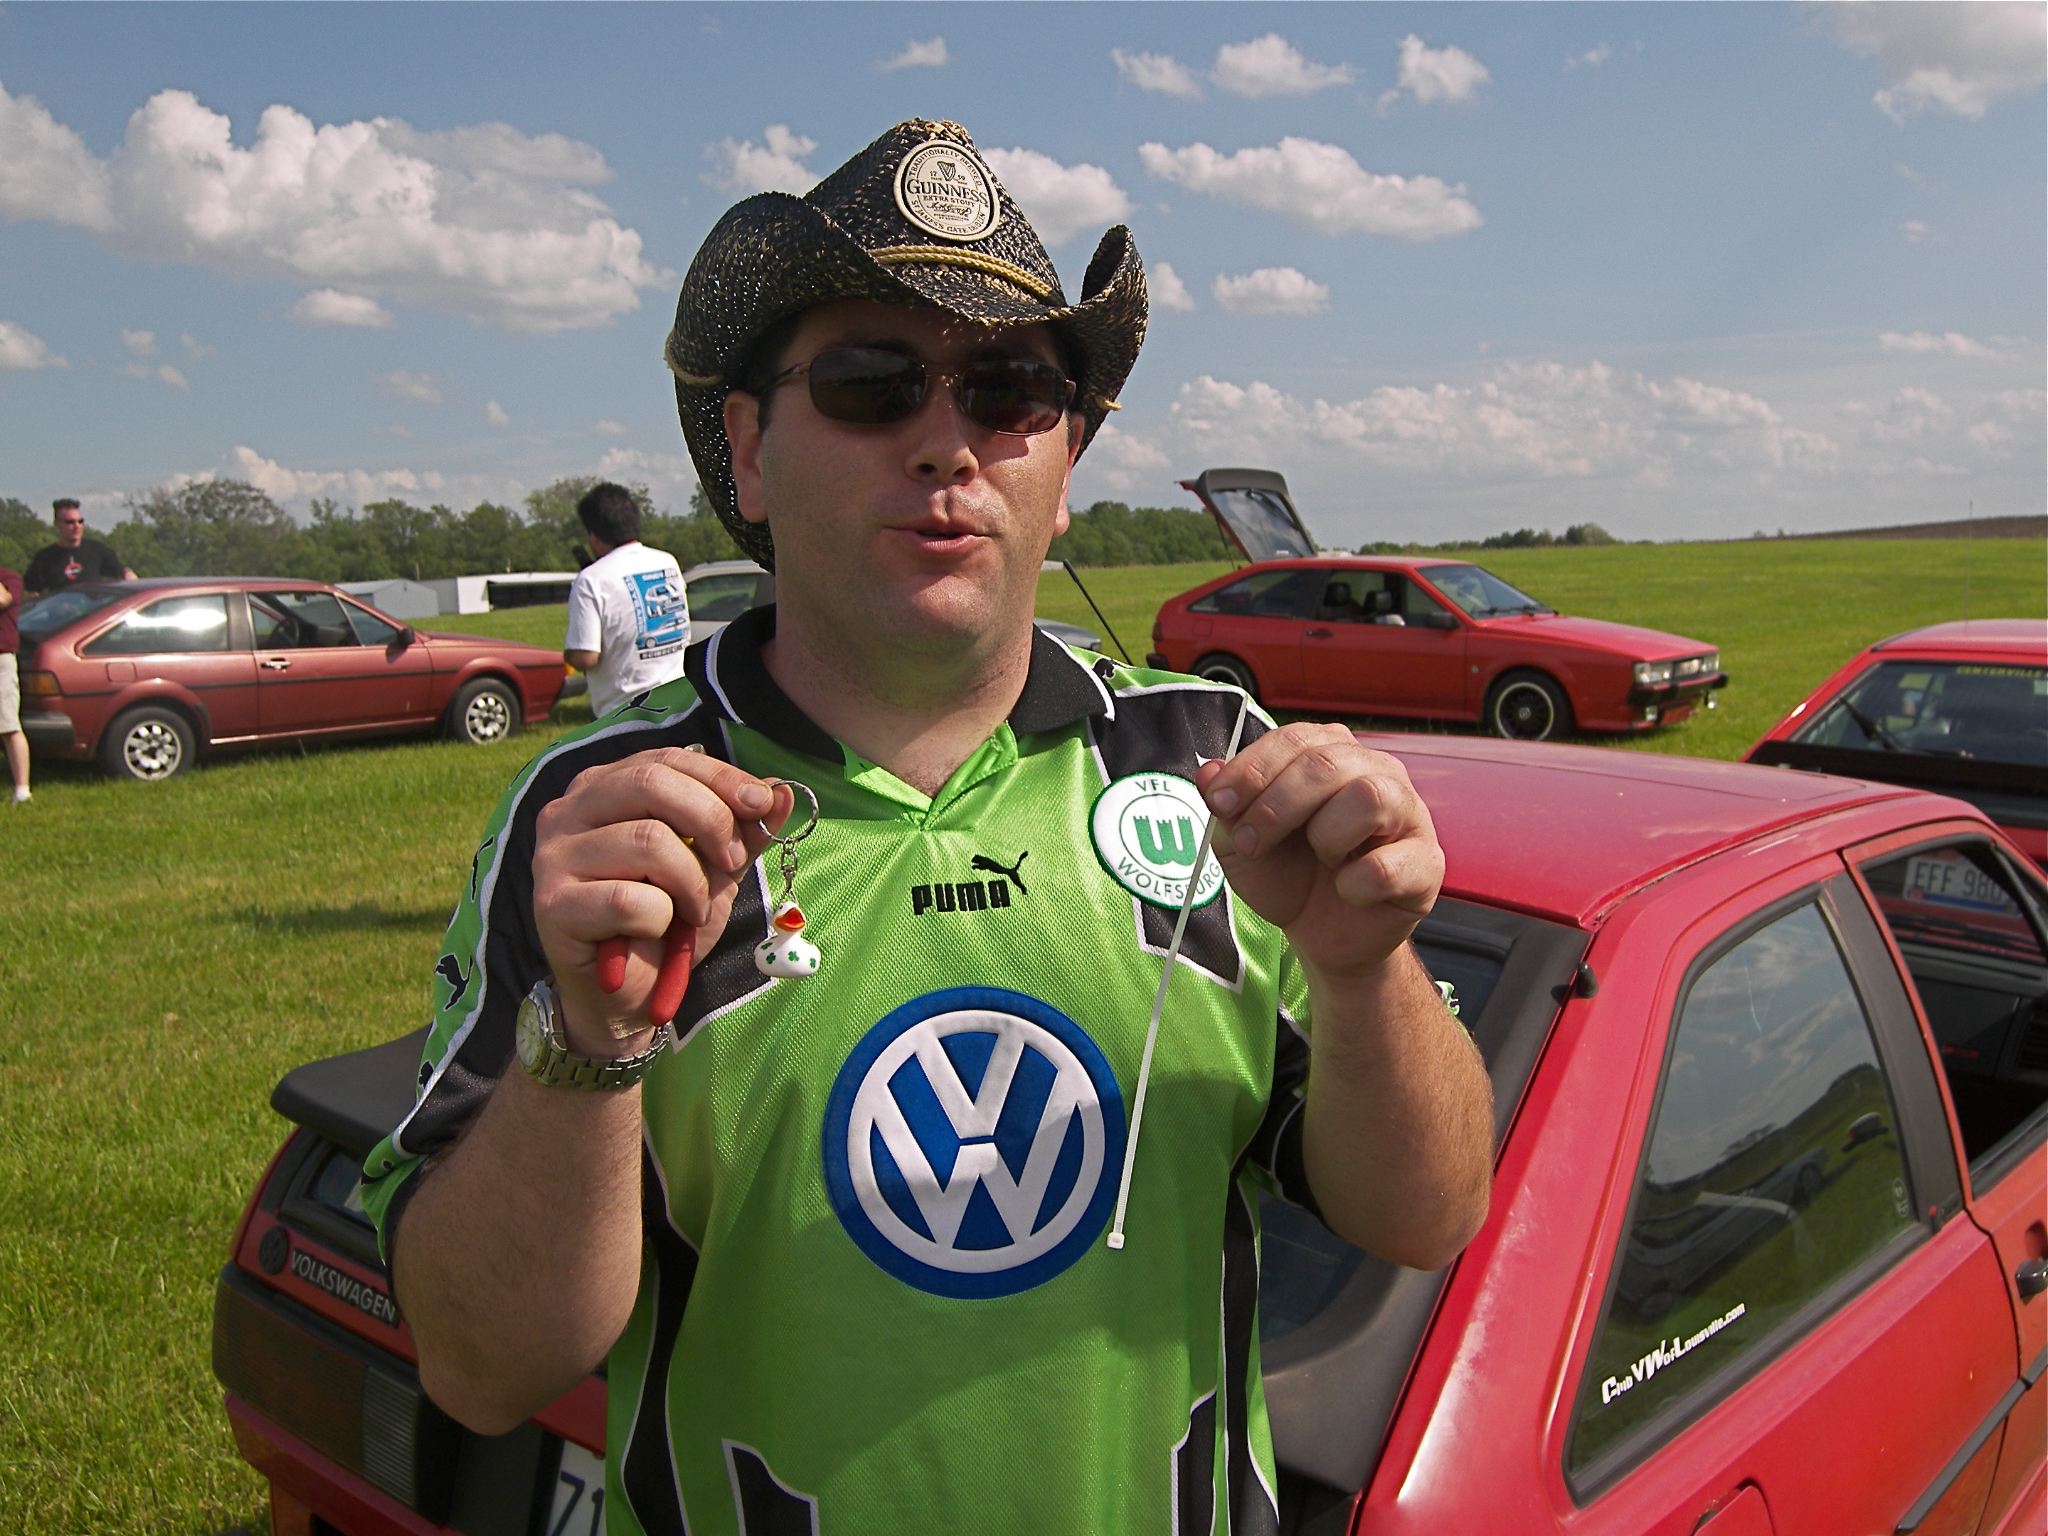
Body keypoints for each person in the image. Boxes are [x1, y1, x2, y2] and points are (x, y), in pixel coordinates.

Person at [362, 118, 1492, 1535]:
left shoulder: (1212, 768)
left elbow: (1427, 1217)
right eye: (870, 383)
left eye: (1011, 390)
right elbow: (481, 1371)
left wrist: (1363, 970)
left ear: (1063, 464)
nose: (947, 442)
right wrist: (586, 1048)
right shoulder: (607, 823)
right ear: (749, 451)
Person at [561, 481, 689, 717]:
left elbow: (585, 657)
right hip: (682, 704)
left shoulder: (591, 579)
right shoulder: (667, 562)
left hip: (626, 715)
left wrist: (569, 653)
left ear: (593, 534)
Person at [25, 498, 134, 594]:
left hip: (93, 609)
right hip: (61, 611)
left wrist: (128, 574)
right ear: (57, 525)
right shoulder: (44, 558)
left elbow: (121, 571)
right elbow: (31, 592)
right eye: (70, 522)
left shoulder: (97, 550)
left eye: (80, 521)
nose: (77, 526)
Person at [0, 561, 28, 803]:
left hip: (1, 659)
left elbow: (3, 600)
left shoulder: (10, 578)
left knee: (8, 725)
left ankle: (22, 790)